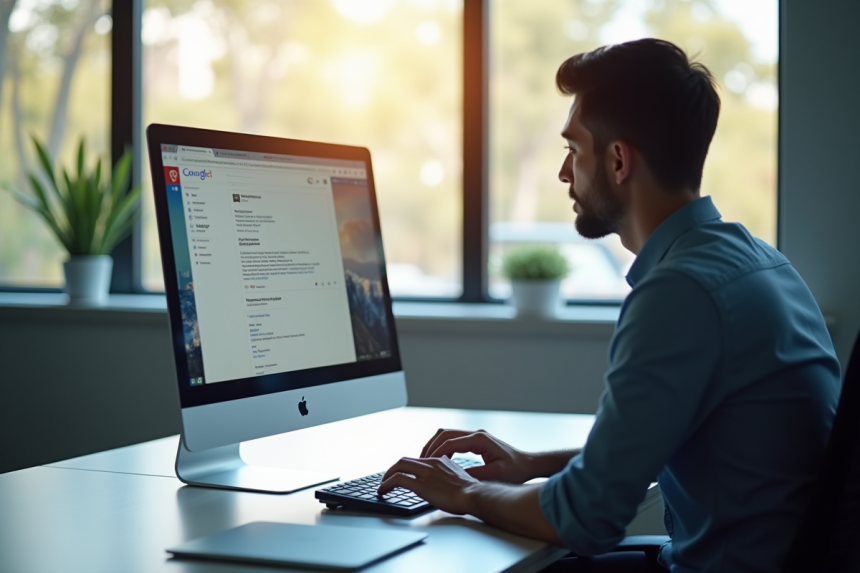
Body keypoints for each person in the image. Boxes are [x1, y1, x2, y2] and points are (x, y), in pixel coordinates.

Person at [377, 38, 841, 573]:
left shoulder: (679, 293)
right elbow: (655, 446)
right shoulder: (760, 263)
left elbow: (586, 518)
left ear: (618, 159)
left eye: (573, 150)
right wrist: (530, 464)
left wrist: (462, 493)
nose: (563, 173)